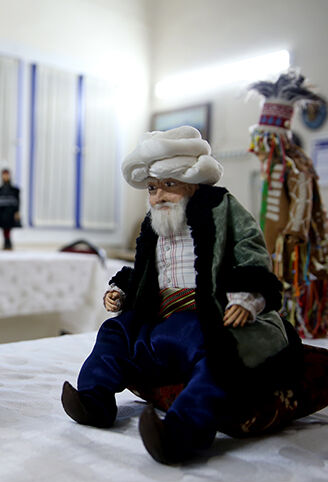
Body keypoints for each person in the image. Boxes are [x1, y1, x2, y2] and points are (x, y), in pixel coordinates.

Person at [61, 126, 301, 464]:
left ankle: (182, 433)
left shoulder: (223, 208)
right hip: (159, 316)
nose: (159, 195)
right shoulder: (154, 222)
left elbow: (252, 253)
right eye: (153, 187)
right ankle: (94, 400)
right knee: (115, 331)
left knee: (219, 357)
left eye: (169, 185)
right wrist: (123, 290)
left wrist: (247, 297)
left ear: (192, 183)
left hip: (206, 317)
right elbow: (145, 269)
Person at [248, 70, 328, 338]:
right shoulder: (272, 166)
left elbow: (303, 200)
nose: (257, 147)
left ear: (274, 137)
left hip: (292, 245)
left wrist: (294, 233)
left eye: (263, 139)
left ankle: (299, 319)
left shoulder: (295, 164)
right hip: (274, 238)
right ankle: (278, 317)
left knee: (291, 278)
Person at [0, 168, 21, 250]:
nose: (5, 177)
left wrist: (17, 212)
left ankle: (8, 242)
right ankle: (6, 242)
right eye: (4, 175)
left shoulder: (15, 190)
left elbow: (18, 202)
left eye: (7, 175)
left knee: (9, 228)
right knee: (4, 228)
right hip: (2, 212)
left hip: (11, 212)